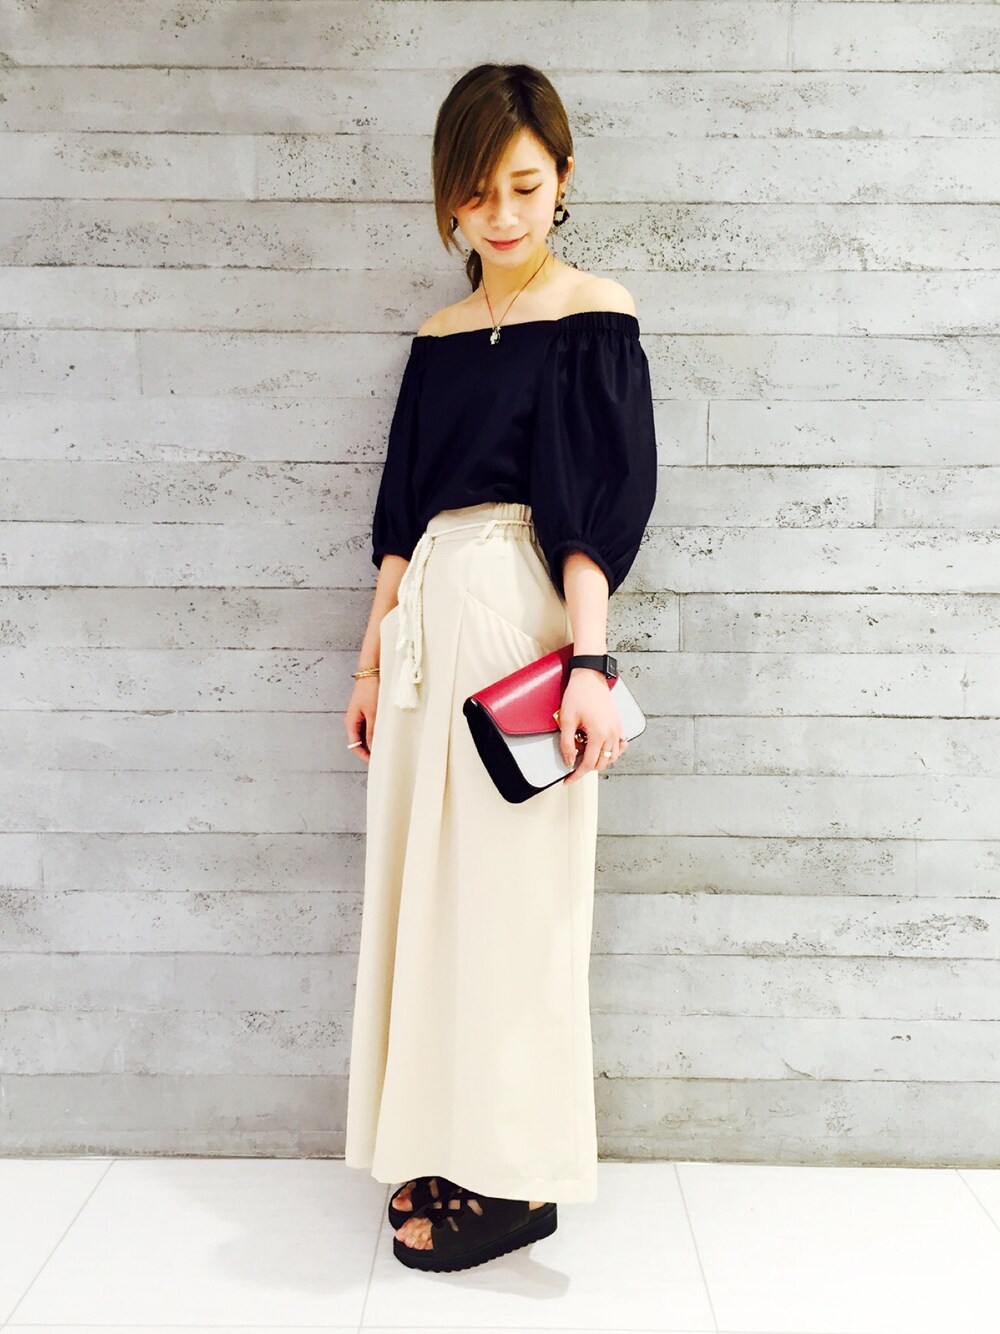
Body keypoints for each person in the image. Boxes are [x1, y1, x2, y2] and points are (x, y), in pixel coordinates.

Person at [342, 63, 657, 1273]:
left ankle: (517, 1178)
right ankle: (443, 1139)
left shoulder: (591, 312)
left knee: (518, 904)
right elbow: (398, 515)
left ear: (563, 178)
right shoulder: (436, 337)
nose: (503, 214)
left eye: (524, 185)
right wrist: (370, 656)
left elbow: (592, 512)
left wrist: (590, 661)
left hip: (519, 623)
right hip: (423, 630)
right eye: (477, 194)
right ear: (449, 200)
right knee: (428, 901)